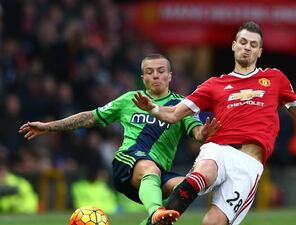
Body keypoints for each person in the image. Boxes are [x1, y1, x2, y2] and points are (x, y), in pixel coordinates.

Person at [133, 21, 296, 225]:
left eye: (253, 45)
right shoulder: (214, 84)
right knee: (203, 172)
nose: (247, 47)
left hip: (248, 166)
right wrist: (152, 108)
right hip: (219, 149)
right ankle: (158, 222)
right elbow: (174, 114)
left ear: (259, 51)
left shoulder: (275, 79)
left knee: (212, 221)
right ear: (234, 45)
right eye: (243, 42)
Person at [19, 54, 220, 222]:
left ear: (170, 76)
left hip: (156, 176)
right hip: (128, 163)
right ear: (143, 78)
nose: (156, 75)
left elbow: (197, 132)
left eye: (160, 71)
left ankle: (151, 220)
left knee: (188, 186)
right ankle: (155, 212)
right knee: (150, 168)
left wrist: (204, 133)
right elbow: (90, 117)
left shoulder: (182, 105)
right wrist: (48, 127)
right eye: (150, 72)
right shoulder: (129, 99)